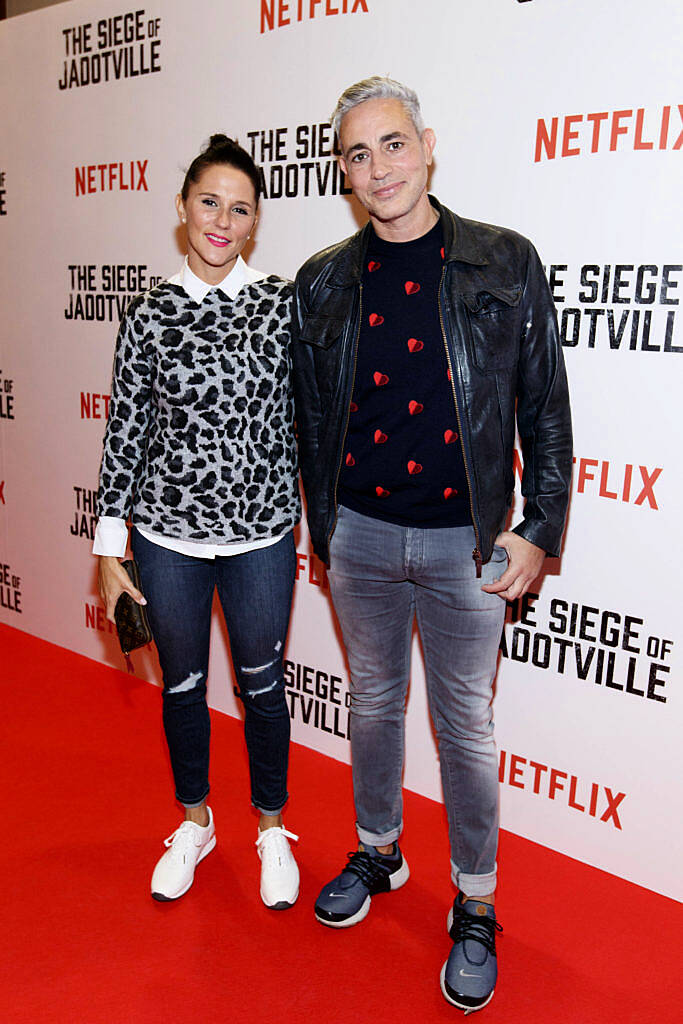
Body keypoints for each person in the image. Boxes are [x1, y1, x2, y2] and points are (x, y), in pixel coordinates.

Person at [291, 77, 572, 1012]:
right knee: (370, 706)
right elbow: (311, 419)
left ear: (428, 145)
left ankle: (478, 903)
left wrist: (538, 527)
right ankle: (379, 851)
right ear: (342, 170)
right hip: (361, 536)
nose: (379, 169)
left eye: (393, 145)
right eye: (358, 155)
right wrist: (324, 529)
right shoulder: (323, 280)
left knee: (466, 730)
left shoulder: (504, 260)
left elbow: (545, 407)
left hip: (465, 542)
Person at [94, 134, 301, 910]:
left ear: (254, 224)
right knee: (181, 688)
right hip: (167, 539)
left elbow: (307, 419)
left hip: (261, 539)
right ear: (182, 210)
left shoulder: (280, 305)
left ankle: (272, 828)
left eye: (239, 208)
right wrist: (111, 544)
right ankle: (195, 821)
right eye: (208, 202)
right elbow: (126, 429)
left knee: (263, 689)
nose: (221, 219)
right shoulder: (148, 316)